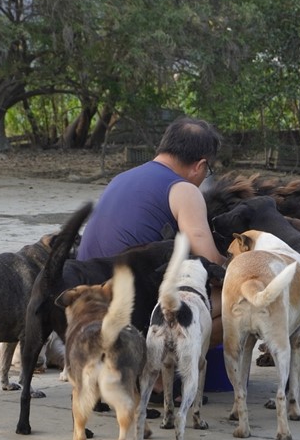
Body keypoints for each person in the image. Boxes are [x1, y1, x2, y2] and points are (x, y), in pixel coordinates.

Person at [77, 116, 228, 344]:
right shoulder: (183, 190)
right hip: (131, 319)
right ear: (200, 165)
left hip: (84, 314)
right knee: (242, 302)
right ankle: (165, 369)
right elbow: (209, 263)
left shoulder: (120, 179)